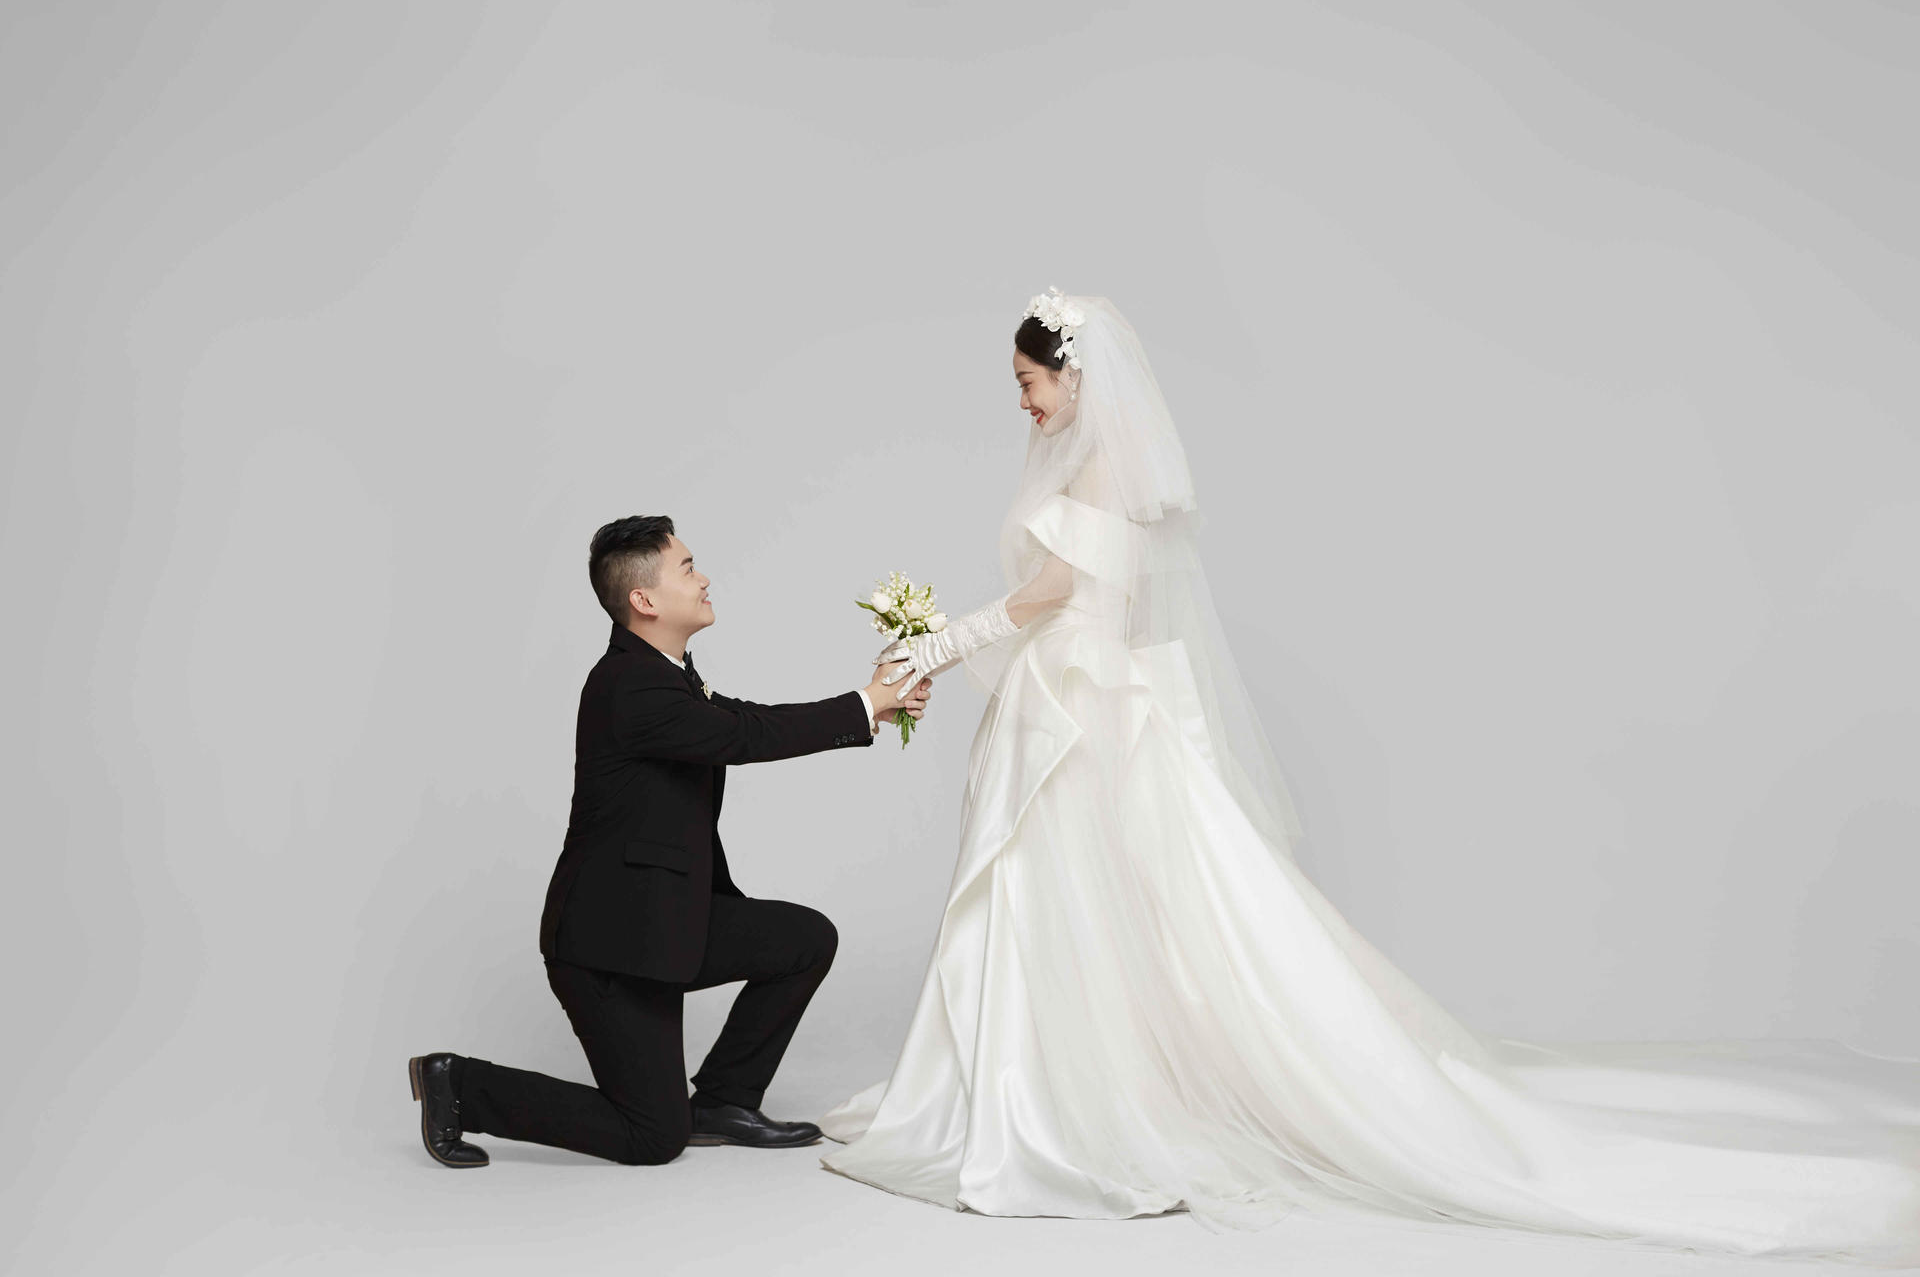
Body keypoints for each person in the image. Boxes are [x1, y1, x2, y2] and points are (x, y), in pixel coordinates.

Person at [815, 288, 1920, 1264]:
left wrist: (941, 643)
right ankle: (1045, 1087)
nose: (1021, 403)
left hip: (1079, 709)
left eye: (1027, 382)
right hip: (1072, 698)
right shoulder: (1084, 462)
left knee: (1097, 899)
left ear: (1072, 377)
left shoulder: (1102, 465)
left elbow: (1060, 589)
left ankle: (1079, 1106)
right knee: (1069, 902)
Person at [407, 515, 932, 1168]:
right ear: (644, 600)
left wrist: (874, 707)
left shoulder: (668, 674)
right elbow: (743, 739)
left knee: (803, 940)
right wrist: (864, 702)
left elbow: (742, 718)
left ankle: (723, 1103)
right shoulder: (627, 684)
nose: (704, 577)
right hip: (609, 947)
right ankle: (459, 1085)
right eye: (687, 568)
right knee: (652, 1137)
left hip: (663, 922)